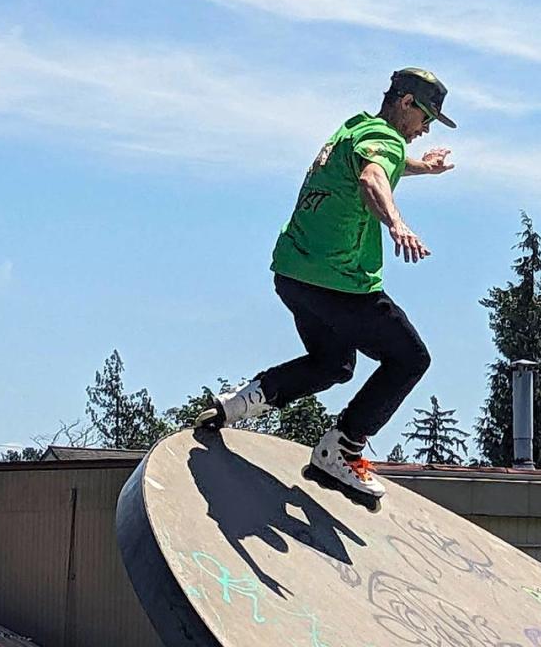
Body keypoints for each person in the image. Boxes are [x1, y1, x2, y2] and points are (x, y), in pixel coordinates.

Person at [195, 67, 456, 501]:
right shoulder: (386, 141)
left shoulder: (353, 130)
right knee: (409, 358)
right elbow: (373, 177)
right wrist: (397, 224)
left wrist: (423, 169)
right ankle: (342, 448)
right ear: (406, 103)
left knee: (334, 363)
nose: (425, 130)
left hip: (294, 275)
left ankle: (243, 400)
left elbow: (381, 162)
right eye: (425, 117)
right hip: (340, 283)